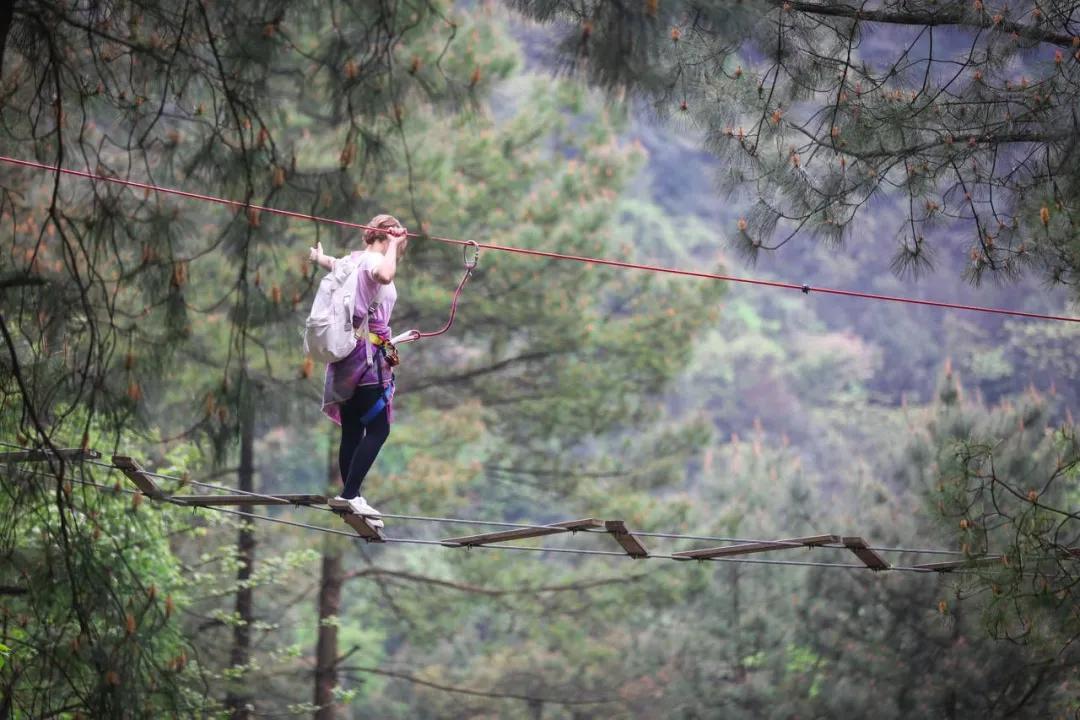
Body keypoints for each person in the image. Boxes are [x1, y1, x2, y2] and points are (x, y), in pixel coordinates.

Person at [308, 214, 408, 527]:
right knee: (379, 429)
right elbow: (385, 274)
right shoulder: (375, 261)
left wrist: (319, 258)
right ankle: (351, 494)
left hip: (348, 359)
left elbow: (334, 265)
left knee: (353, 429)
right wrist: (392, 246)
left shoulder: (353, 261)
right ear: (387, 237)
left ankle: (350, 494)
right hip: (366, 360)